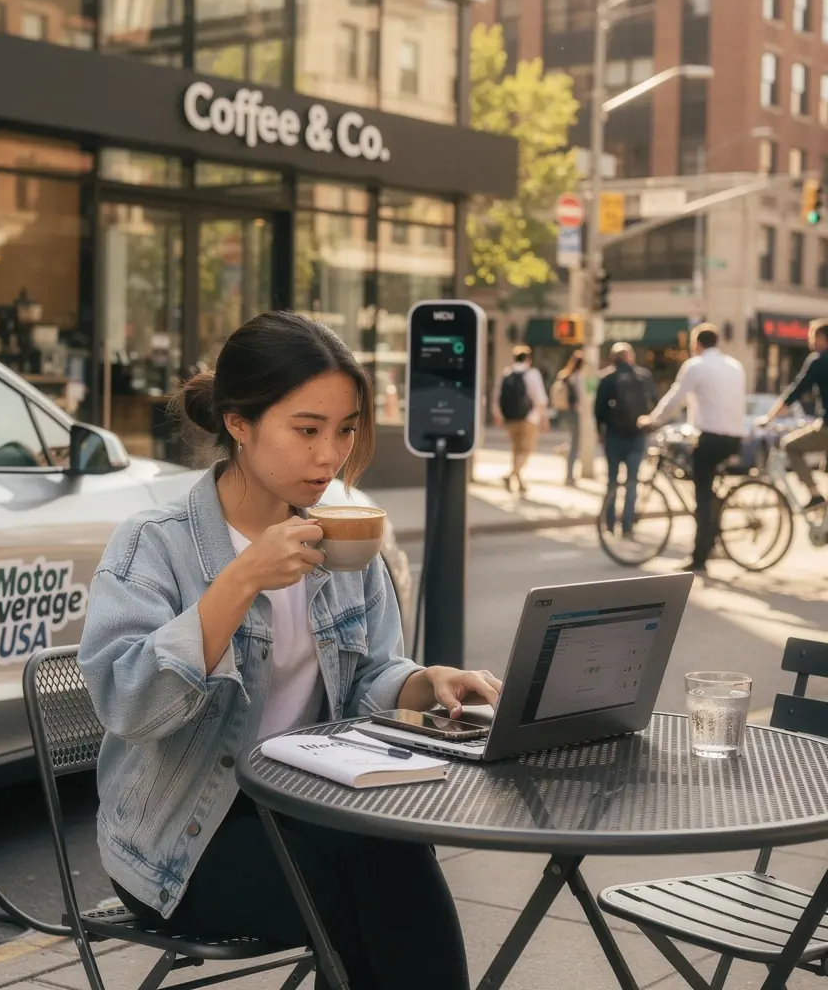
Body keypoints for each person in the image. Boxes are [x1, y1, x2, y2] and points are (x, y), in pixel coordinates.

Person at [78, 312, 503, 990]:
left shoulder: (342, 536)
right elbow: (129, 705)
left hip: (311, 805)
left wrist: (427, 682)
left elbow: (366, 676)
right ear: (239, 424)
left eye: (345, 429)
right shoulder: (154, 543)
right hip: (184, 837)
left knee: (394, 854)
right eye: (307, 430)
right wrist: (241, 580)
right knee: (366, 897)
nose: (329, 455)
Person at [638, 324, 746, 574]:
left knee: (702, 497)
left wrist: (652, 420)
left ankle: (700, 556)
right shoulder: (734, 365)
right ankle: (713, 531)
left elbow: (675, 398)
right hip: (734, 437)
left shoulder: (695, 365)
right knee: (705, 487)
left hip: (711, 438)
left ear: (697, 344)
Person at [755, 317, 828, 510]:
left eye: (812, 337)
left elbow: (796, 391)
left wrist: (769, 417)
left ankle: (815, 495)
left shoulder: (819, 361)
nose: (810, 342)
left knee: (790, 445)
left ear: (821, 338)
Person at [594, 342, 657, 538]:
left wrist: (600, 432)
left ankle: (610, 522)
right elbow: (653, 403)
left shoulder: (607, 379)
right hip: (637, 436)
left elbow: (598, 411)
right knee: (632, 482)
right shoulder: (643, 377)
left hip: (614, 436)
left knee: (612, 481)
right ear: (630, 357)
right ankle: (627, 524)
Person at [492, 345, 549, 493]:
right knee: (526, 450)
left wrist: (498, 414)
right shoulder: (532, 374)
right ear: (529, 359)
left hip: (510, 418)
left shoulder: (506, 374)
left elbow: (497, 396)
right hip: (529, 418)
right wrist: (543, 418)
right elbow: (540, 398)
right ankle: (511, 475)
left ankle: (518, 480)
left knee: (516, 450)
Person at [551, 350, 585, 486]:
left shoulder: (564, 375)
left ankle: (565, 450)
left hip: (563, 413)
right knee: (575, 444)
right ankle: (570, 475)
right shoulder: (576, 377)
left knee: (572, 442)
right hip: (573, 412)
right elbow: (581, 396)